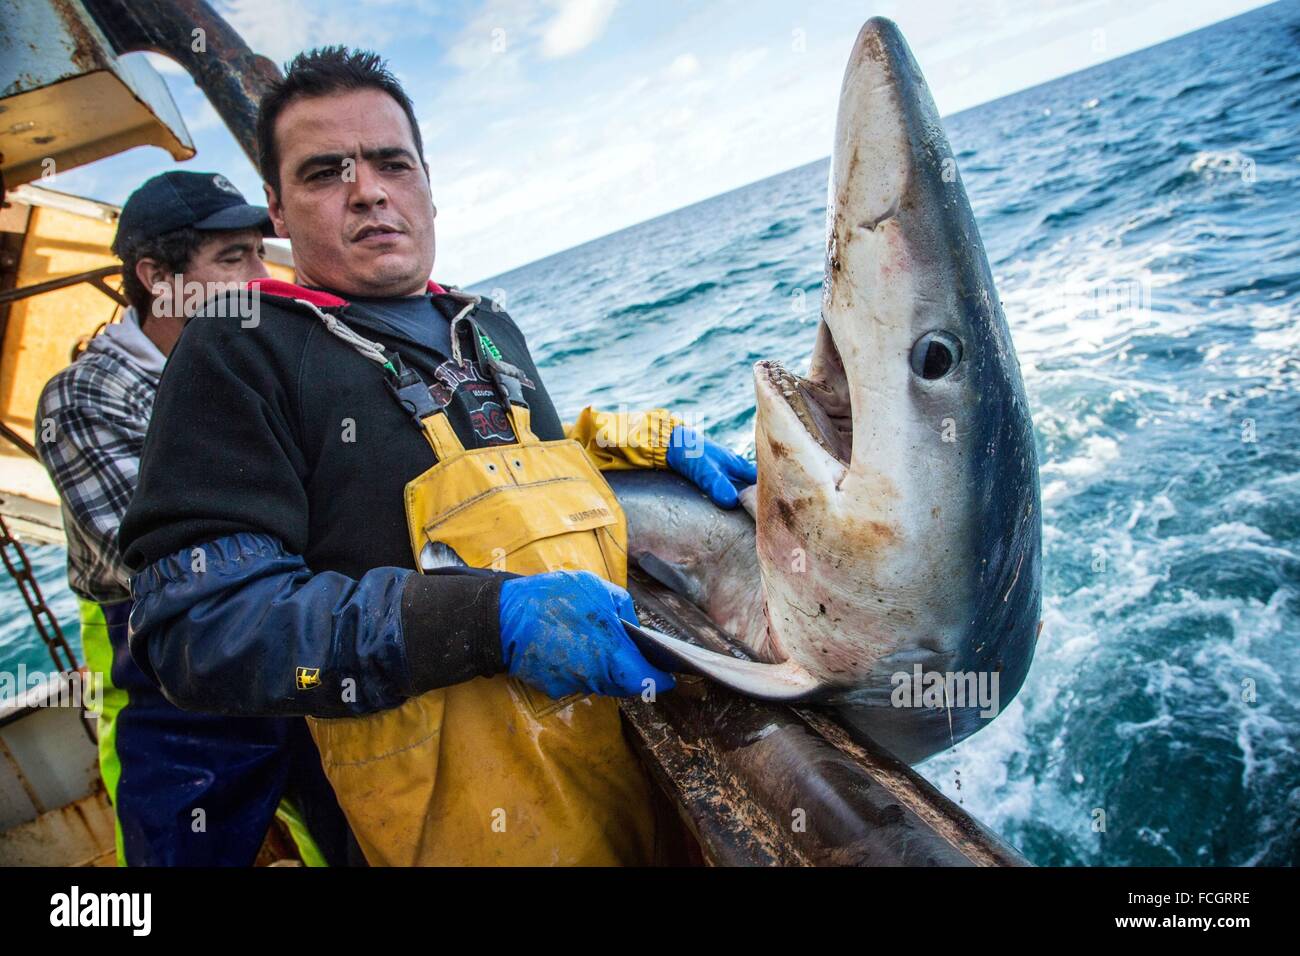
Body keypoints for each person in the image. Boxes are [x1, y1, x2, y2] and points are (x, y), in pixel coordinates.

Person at [118, 48, 757, 866]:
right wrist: (485, 622)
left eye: (392, 162)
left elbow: (527, 496)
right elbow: (201, 629)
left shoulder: (488, 329)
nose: (369, 189)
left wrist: (630, 457)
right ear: (277, 211)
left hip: (636, 788)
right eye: (325, 173)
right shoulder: (237, 350)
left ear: (427, 182)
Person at [36, 171, 355, 866]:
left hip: (289, 633)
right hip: (167, 671)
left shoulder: (268, 360)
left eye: (256, 252)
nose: (258, 276)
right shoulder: (89, 394)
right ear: (158, 276)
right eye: (232, 258)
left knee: (350, 832)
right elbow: (158, 560)